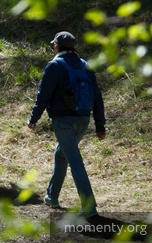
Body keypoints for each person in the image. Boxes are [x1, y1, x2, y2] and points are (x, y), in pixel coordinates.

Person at [27, 31, 106, 215]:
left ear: (57, 46)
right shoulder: (86, 65)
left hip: (63, 121)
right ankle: (52, 196)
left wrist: (33, 119)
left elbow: (43, 95)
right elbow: (98, 97)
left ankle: (89, 206)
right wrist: (100, 126)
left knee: (75, 162)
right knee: (61, 154)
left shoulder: (54, 66)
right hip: (83, 119)